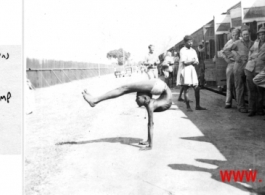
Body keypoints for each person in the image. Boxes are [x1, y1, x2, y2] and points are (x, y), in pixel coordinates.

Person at [82, 75, 172, 150]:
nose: (135, 100)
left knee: (124, 88)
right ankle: (95, 100)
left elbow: (151, 124)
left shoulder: (151, 105)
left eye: (138, 98)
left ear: (145, 98)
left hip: (160, 85)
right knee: (125, 89)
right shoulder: (150, 103)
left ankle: (95, 100)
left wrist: (150, 146)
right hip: (161, 87)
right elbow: (150, 123)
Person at [223, 27, 254, 113]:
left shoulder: (253, 43)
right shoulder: (237, 43)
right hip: (239, 66)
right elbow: (225, 51)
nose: (245, 36)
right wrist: (235, 57)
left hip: (249, 66)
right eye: (244, 34)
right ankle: (241, 106)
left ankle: (251, 107)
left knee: (249, 86)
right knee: (239, 86)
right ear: (241, 35)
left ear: (249, 35)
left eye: (247, 34)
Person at [176, 35, 206, 111]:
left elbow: (197, 62)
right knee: (186, 89)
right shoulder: (182, 50)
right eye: (189, 42)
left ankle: (197, 106)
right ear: (185, 42)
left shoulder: (193, 51)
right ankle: (188, 107)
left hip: (192, 70)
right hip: (185, 71)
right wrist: (192, 61)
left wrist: (193, 61)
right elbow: (185, 62)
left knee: (197, 88)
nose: (191, 43)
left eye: (192, 42)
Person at [246, 26, 265, 116]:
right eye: (260, 34)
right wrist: (250, 58)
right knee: (251, 90)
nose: (261, 36)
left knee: (260, 91)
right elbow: (250, 51)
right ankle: (251, 109)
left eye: (263, 34)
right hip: (250, 68)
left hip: (261, 69)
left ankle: (259, 109)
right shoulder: (256, 43)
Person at [220, 28, 240, 108]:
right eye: (234, 34)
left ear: (239, 34)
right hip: (231, 64)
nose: (235, 36)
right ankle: (228, 102)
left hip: (239, 64)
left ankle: (239, 102)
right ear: (232, 35)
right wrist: (227, 59)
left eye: (237, 34)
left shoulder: (240, 41)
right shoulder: (229, 42)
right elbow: (223, 52)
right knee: (229, 83)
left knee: (238, 83)